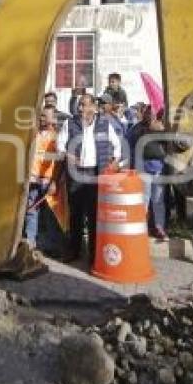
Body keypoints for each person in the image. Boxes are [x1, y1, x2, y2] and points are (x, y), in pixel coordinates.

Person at [57, 93, 122, 263]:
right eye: (79, 104)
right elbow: (59, 144)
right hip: (76, 174)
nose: (80, 108)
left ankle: (94, 254)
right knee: (75, 214)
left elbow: (117, 145)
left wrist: (115, 161)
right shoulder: (69, 123)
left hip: (95, 174)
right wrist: (66, 155)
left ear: (93, 107)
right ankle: (74, 251)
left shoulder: (104, 124)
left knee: (94, 215)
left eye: (84, 104)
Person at [126, 103, 168, 240]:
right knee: (144, 199)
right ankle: (141, 226)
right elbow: (129, 143)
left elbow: (168, 141)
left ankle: (159, 227)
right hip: (143, 168)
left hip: (159, 168)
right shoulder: (137, 128)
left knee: (158, 200)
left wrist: (161, 130)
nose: (151, 115)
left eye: (154, 113)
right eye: (149, 113)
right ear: (144, 114)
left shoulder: (161, 127)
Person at [24, 105, 62, 248]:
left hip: (48, 180)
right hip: (33, 179)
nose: (42, 118)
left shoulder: (57, 136)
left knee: (50, 214)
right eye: (41, 116)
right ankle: (30, 241)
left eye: (46, 116)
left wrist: (54, 182)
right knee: (31, 210)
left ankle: (52, 245)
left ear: (53, 118)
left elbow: (59, 161)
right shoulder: (34, 134)